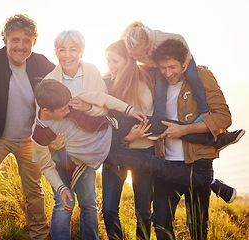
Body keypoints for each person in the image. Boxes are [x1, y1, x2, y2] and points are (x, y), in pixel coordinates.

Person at [31, 78, 237, 210]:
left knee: (157, 123)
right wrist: (61, 189)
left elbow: (104, 99)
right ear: (47, 111)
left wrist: (129, 110)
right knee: (155, 165)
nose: (69, 111)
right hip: (110, 153)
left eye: (68, 106)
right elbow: (47, 167)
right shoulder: (41, 134)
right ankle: (212, 185)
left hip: (114, 126)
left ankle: (214, 138)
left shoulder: (67, 98)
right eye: (63, 111)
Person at [0, 14, 55, 240]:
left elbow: (65, 83)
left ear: (34, 42)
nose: (21, 46)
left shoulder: (42, 63)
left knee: (34, 190)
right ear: (5, 39)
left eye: (27, 41)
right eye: (15, 40)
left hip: (29, 139)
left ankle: (40, 235)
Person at [151, 38, 235, 239]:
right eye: (163, 67)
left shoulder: (201, 74)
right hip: (166, 162)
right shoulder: (157, 81)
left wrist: (185, 130)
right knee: (161, 223)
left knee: (197, 228)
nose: (168, 72)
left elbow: (223, 117)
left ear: (185, 63)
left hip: (198, 162)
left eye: (172, 67)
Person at [41, 30, 107, 240]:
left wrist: (88, 106)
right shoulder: (50, 79)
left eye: (73, 49)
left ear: (82, 51)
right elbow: (42, 117)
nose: (67, 54)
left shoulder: (92, 72)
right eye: (61, 49)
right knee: (62, 201)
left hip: (86, 148)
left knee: (88, 202)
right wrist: (51, 144)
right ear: (55, 52)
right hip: (60, 151)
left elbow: (104, 106)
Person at [102, 39, 155, 240]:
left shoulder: (147, 82)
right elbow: (102, 123)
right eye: (108, 61)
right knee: (108, 209)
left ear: (128, 60)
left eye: (115, 61)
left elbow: (150, 118)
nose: (111, 66)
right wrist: (126, 137)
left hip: (144, 152)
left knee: (143, 211)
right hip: (115, 152)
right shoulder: (105, 83)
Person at [123, 20, 209, 123]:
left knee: (192, 76)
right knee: (160, 89)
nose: (136, 58)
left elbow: (180, 38)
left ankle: (205, 110)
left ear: (148, 46)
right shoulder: (133, 46)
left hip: (183, 55)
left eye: (139, 55)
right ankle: (159, 121)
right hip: (161, 64)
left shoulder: (158, 38)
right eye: (132, 56)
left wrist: (188, 58)